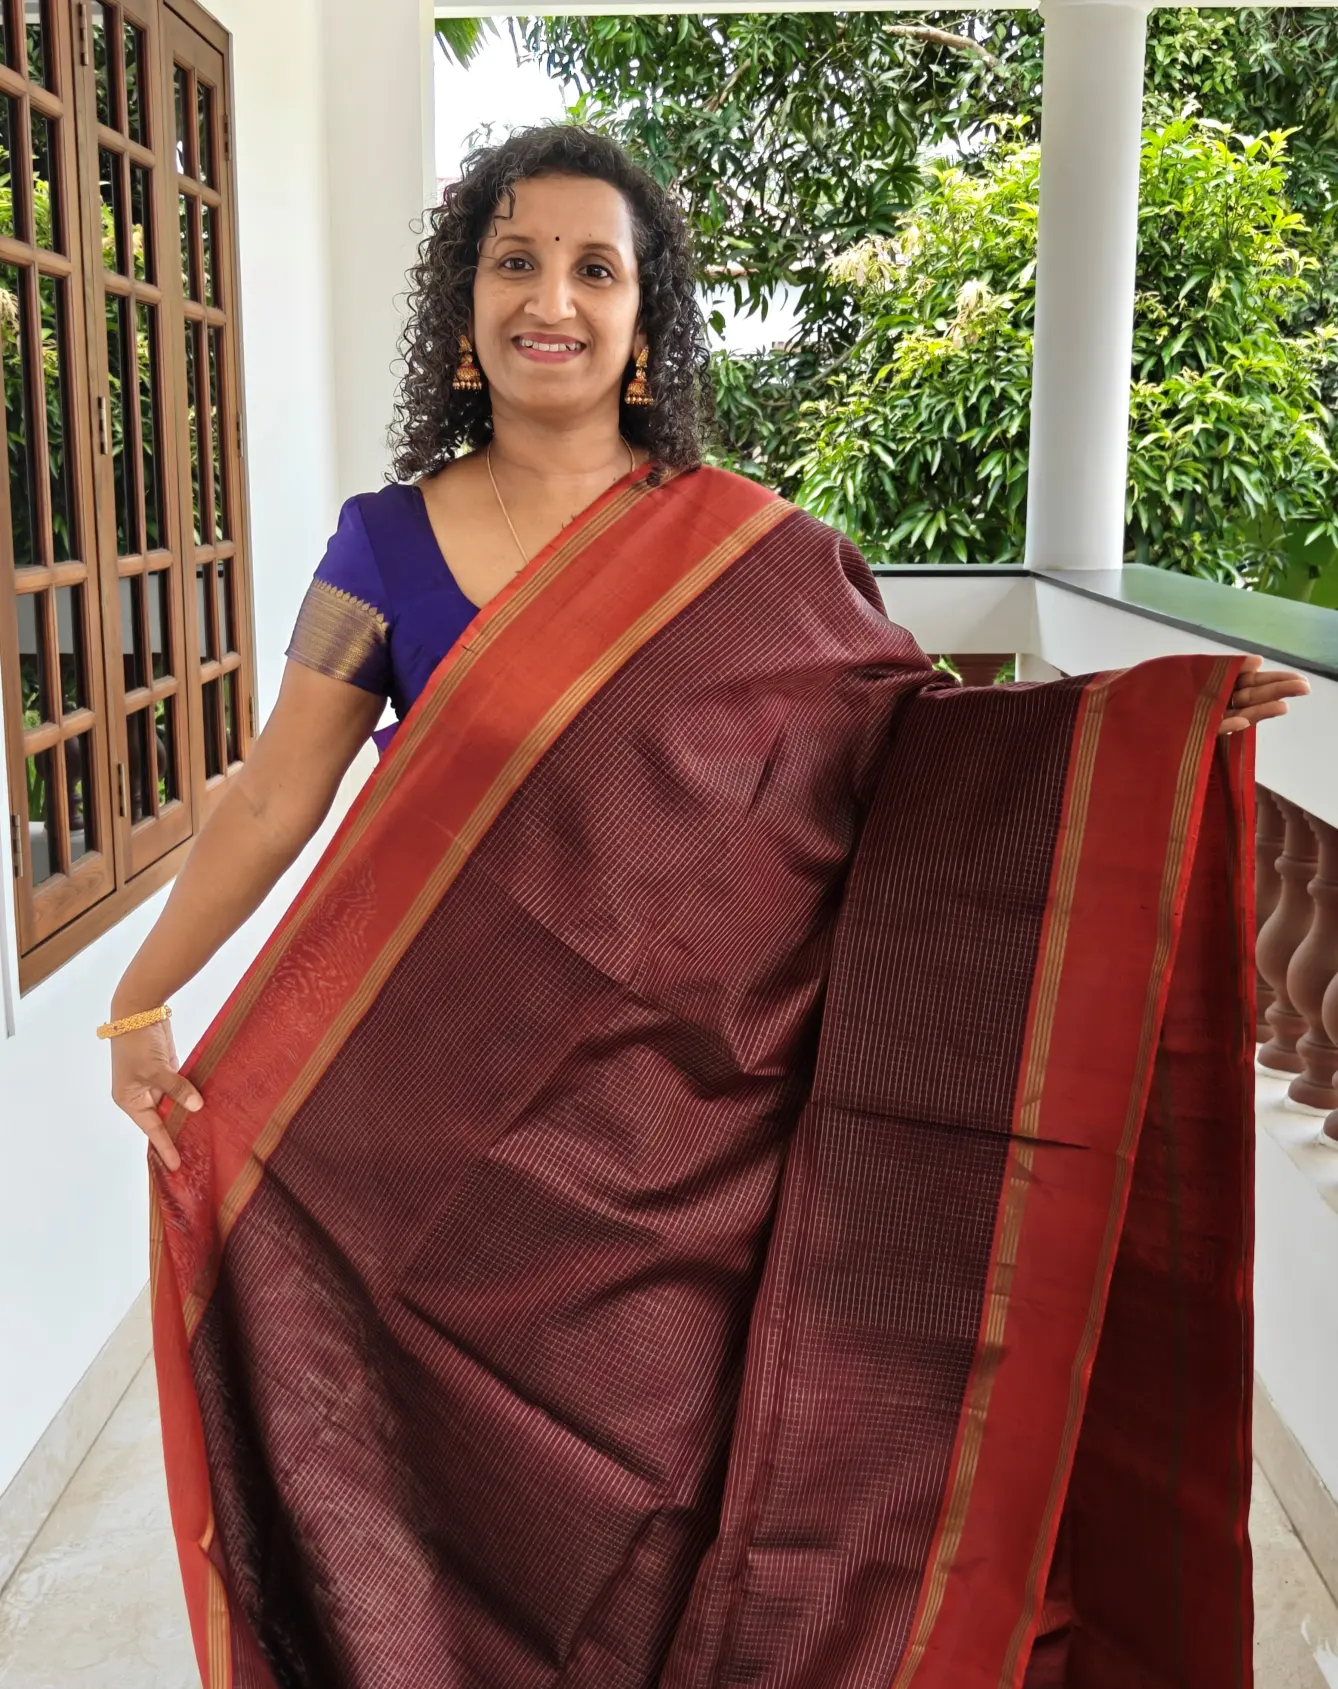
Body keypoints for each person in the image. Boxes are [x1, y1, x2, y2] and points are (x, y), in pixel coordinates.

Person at [110, 127, 1305, 1689]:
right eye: (514, 261)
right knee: (463, 1477)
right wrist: (144, 998)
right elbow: (276, 795)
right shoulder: (383, 543)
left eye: (593, 268)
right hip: (445, 1136)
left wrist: (1148, 726)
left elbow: (913, 750)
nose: (551, 297)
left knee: (670, 1472)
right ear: (462, 318)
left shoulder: (757, 554)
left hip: (692, 1132)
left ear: (646, 324)